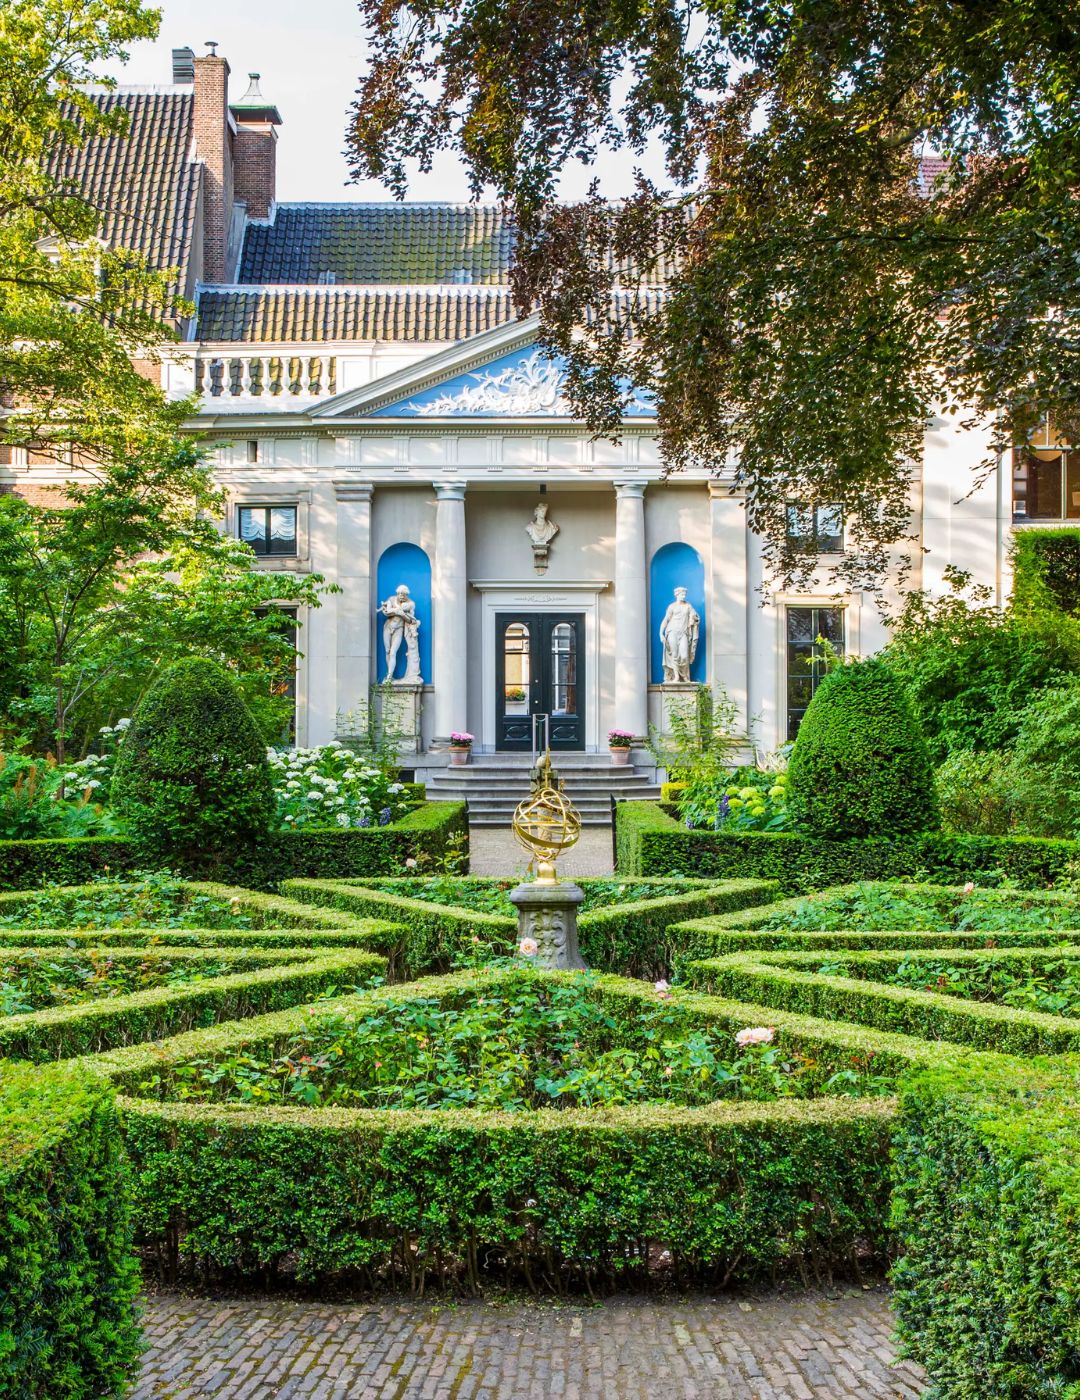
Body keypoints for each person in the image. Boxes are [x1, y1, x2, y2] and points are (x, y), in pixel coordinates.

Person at [379, 584, 422, 682]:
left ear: (406, 595)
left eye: (403, 594)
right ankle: (389, 674)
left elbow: (411, 620)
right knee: (388, 651)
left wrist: (402, 614)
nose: (401, 596)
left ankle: (389, 677)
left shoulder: (410, 603)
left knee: (393, 653)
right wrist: (396, 611)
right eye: (399, 594)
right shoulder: (391, 599)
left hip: (399, 629)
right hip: (388, 627)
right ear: (397, 593)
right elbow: (386, 612)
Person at [659, 586, 700, 682]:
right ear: (677, 595)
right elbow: (666, 620)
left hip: (684, 633)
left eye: (684, 594)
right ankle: (676, 676)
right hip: (672, 631)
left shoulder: (688, 606)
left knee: (684, 655)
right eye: (682, 594)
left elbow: (695, 617)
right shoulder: (672, 606)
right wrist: (661, 633)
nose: (684, 596)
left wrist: (695, 619)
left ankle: (684, 675)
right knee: (675, 654)